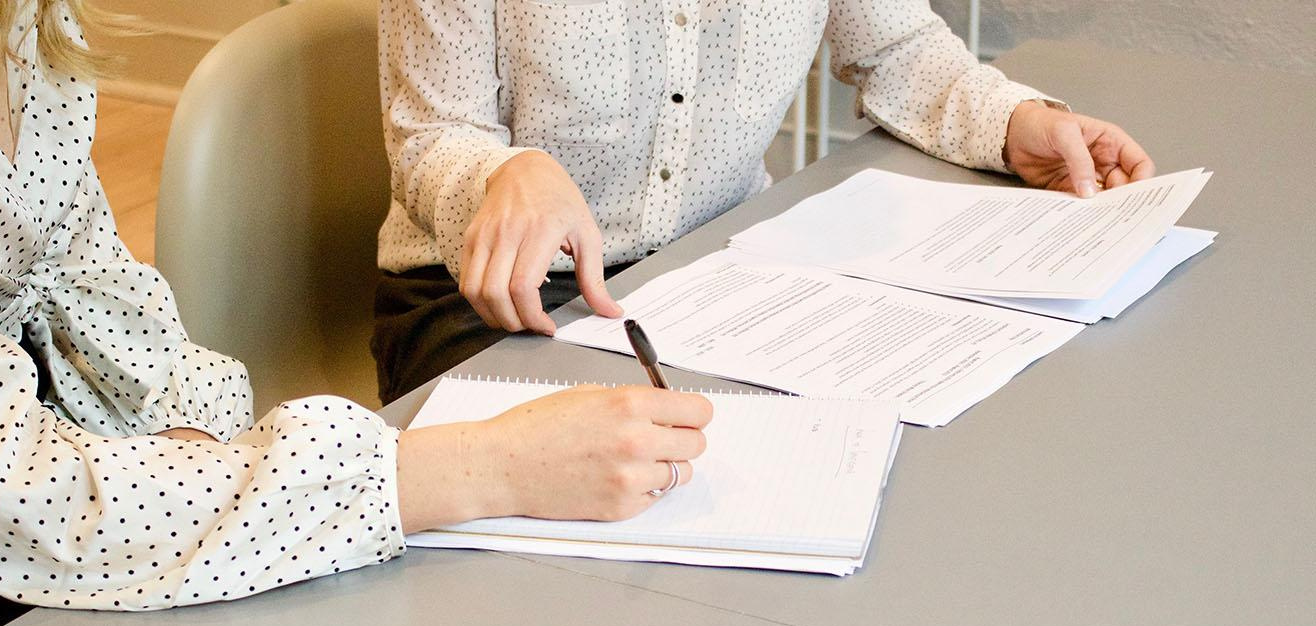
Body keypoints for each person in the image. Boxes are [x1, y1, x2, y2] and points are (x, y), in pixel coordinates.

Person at [0, 1, 712, 626]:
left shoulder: (24, 18)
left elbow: (95, 293)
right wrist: (486, 466)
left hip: (20, 439)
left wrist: (205, 451)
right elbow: (7, 485)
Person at [371, 0, 1157, 403]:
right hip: (485, 297)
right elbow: (432, 132)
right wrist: (505, 174)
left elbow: (897, 47)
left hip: (714, 274)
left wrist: (1017, 122)